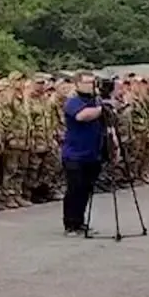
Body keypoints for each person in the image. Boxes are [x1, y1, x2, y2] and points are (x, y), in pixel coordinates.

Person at [60, 72, 107, 235]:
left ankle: (80, 221)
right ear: (77, 84)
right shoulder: (73, 101)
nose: (91, 85)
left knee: (86, 190)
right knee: (75, 189)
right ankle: (70, 224)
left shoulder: (96, 101)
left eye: (93, 82)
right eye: (87, 82)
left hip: (92, 153)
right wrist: (102, 110)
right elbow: (82, 116)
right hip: (74, 154)